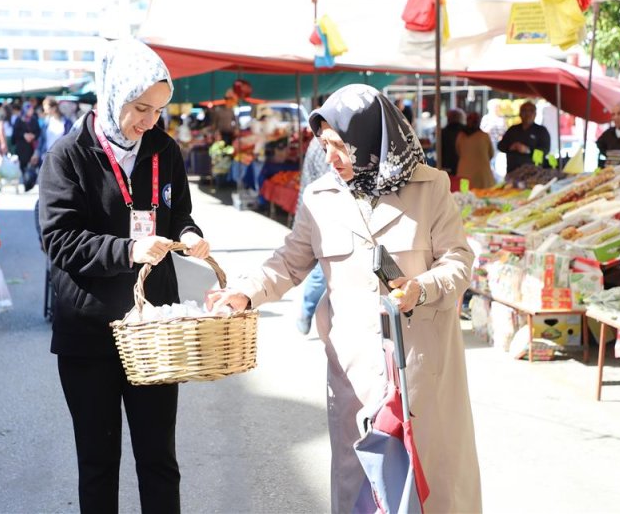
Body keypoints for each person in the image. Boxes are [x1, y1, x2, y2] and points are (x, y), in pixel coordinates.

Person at [206, 84, 481, 513]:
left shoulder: (430, 188)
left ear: (371, 138)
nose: (330, 156)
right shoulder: (320, 197)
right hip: (354, 370)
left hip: (423, 367)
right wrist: (245, 291)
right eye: (324, 144)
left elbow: (459, 261)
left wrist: (422, 288)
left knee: (432, 485)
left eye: (340, 145)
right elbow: (290, 261)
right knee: (359, 485)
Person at [38, 38, 211, 514]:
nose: (148, 121)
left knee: (159, 459)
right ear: (113, 94)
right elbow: (59, 239)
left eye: (158, 109)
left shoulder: (163, 149)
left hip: (154, 331)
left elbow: (179, 214)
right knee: (98, 463)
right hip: (89, 333)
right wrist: (128, 249)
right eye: (140, 107)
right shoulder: (68, 155)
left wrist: (191, 233)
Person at [294, 136, 329, 335]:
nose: (332, 156)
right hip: (322, 215)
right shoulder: (318, 145)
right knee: (322, 271)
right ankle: (306, 312)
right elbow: (308, 181)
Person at [497, 101, 551, 173]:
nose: (527, 114)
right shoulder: (513, 129)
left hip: (533, 173)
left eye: (530, 111)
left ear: (535, 114)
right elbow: (500, 146)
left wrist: (528, 150)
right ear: (520, 113)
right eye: (524, 111)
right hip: (512, 171)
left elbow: (545, 151)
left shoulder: (541, 131)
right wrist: (510, 147)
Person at [456, 111, 496, 189]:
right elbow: (491, 154)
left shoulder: (460, 136)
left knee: (464, 195)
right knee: (483, 197)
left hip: (464, 173)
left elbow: (458, 152)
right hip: (482, 175)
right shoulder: (484, 136)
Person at [441, 108, 465, 176]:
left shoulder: (443, 132)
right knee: (463, 183)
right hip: (463, 165)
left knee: (450, 184)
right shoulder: (465, 132)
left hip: (447, 165)